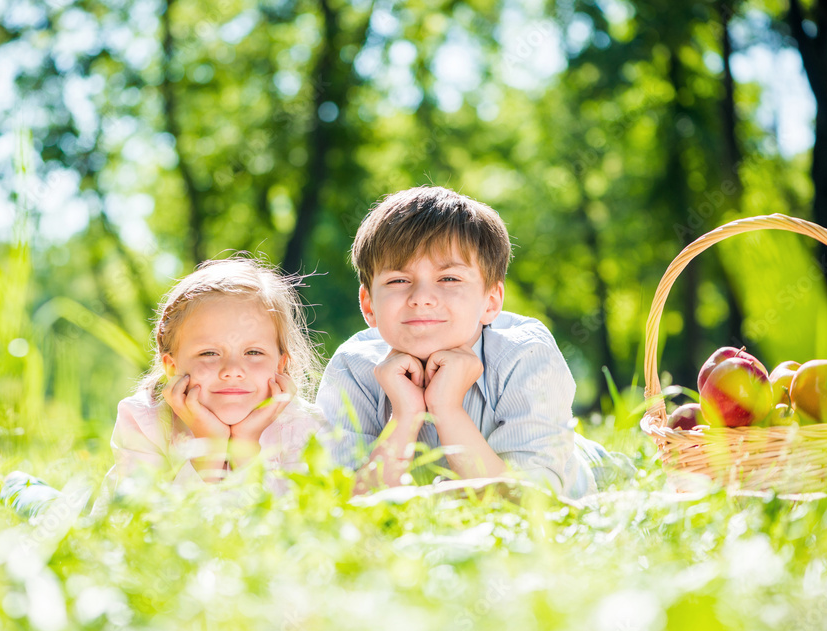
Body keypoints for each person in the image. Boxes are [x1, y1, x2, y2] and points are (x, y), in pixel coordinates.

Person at [316, 186, 612, 499]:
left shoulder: (526, 353)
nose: (422, 298)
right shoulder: (353, 366)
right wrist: (405, 416)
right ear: (368, 305)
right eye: (399, 280)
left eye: (449, 279)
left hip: (578, 473)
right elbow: (347, 505)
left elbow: (527, 505)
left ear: (491, 302)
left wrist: (446, 408)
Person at [106, 257, 324, 490]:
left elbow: (296, 520)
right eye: (209, 353)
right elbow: (143, 519)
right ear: (171, 367)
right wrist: (208, 448)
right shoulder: (144, 421)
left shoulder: (303, 427)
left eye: (253, 352)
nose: (232, 371)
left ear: (280, 366)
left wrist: (247, 447)